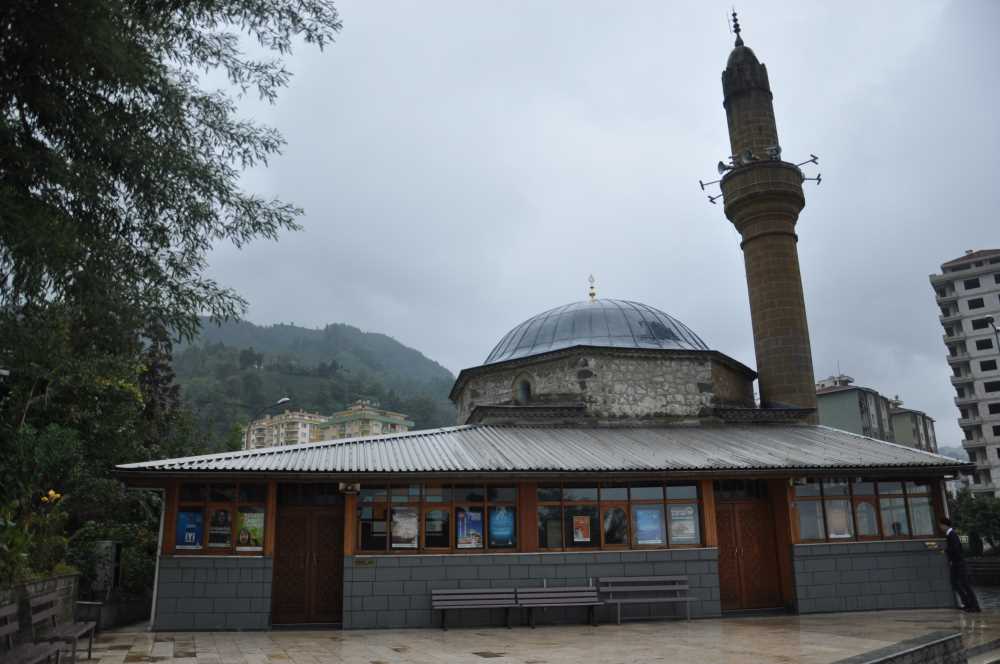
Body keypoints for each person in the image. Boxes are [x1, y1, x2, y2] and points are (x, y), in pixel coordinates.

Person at [939, 517, 981, 613]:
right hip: (956, 563)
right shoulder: (950, 534)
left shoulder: (952, 534)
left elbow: (956, 548)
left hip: (959, 563)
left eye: (940, 525)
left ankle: (975, 606)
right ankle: (967, 604)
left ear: (944, 525)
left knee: (965, 584)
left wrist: (945, 551)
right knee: (955, 583)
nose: (940, 527)